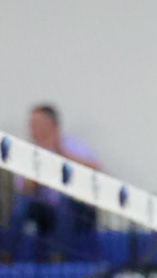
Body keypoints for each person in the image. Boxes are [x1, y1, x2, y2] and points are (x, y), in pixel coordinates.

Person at [7, 104, 100, 263]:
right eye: (31, 125)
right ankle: (7, 257)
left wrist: (60, 153)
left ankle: (58, 257)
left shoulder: (73, 145)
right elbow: (24, 189)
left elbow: (95, 171)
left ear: (52, 125)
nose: (33, 130)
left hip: (76, 208)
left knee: (64, 203)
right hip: (44, 209)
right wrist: (40, 165)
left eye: (38, 125)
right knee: (21, 204)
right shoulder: (27, 151)